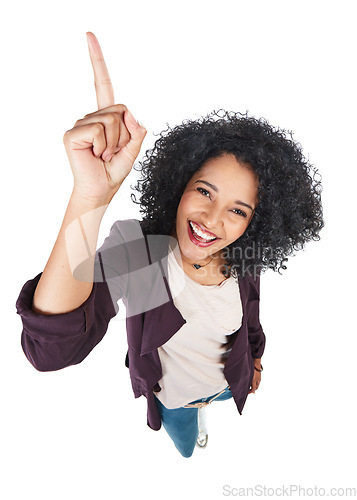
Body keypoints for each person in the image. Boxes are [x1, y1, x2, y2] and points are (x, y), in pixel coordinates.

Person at [15, 32, 324, 458]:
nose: (213, 220)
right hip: (173, 400)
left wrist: (254, 358)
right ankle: (191, 436)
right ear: (179, 186)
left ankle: (210, 411)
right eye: (204, 191)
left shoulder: (244, 259)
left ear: (255, 223)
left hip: (228, 385)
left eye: (238, 211)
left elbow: (249, 318)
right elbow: (50, 351)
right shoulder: (143, 253)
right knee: (185, 446)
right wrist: (90, 198)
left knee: (217, 401)